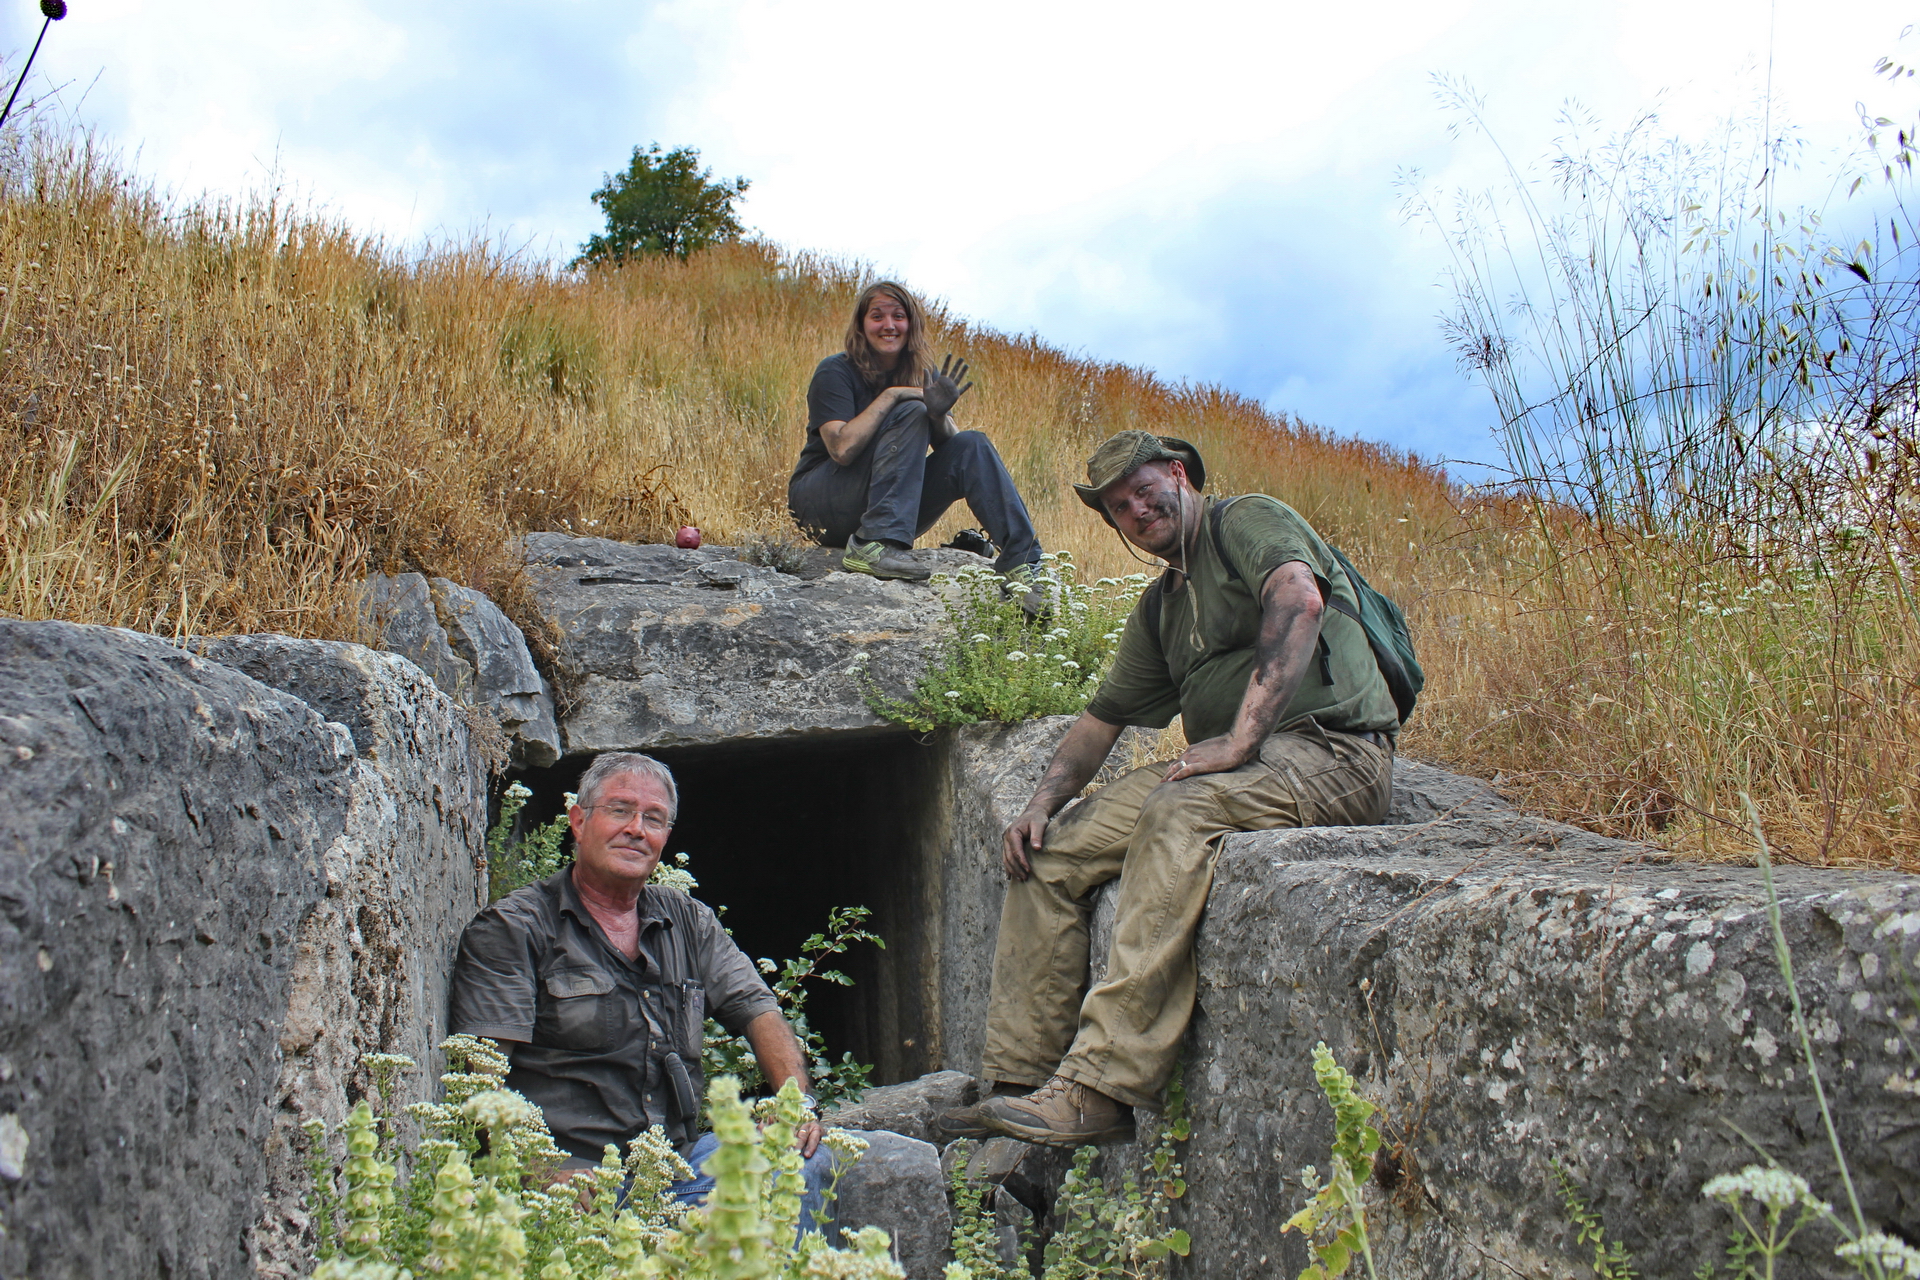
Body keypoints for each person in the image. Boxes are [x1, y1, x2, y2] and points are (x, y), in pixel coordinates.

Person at [939, 431, 1401, 1147]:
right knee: (1049, 852)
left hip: (1333, 751)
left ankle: (1101, 1088)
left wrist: (1241, 737)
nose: (1135, 510)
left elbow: (1299, 598)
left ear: (1179, 475)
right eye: (1118, 507)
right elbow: (1102, 720)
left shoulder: (1244, 520)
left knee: (1179, 808)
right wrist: (1038, 806)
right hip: (1243, 766)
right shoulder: (1162, 606)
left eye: (1142, 490)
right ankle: (1020, 1087)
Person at [448, 752, 837, 1229]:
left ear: (665, 837)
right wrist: (540, 1170)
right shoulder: (514, 928)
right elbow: (481, 1080)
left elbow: (758, 1010)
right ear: (578, 821)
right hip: (578, 1180)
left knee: (800, 1160)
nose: (636, 829)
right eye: (620, 810)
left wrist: (795, 1106)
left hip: (678, 1165)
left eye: (653, 819)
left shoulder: (687, 920)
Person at [787, 280, 1044, 600]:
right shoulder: (835, 371)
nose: (889, 325)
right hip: (821, 503)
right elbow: (841, 448)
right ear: (861, 325)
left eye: (898, 316)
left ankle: (1022, 562)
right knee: (911, 408)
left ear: (911, 324)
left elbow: (956, 453)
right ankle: (873, 546)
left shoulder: (923, 374)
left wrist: (937, 413)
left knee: (973, 444)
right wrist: (894, 395)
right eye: (877, 316)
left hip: (891, 504)